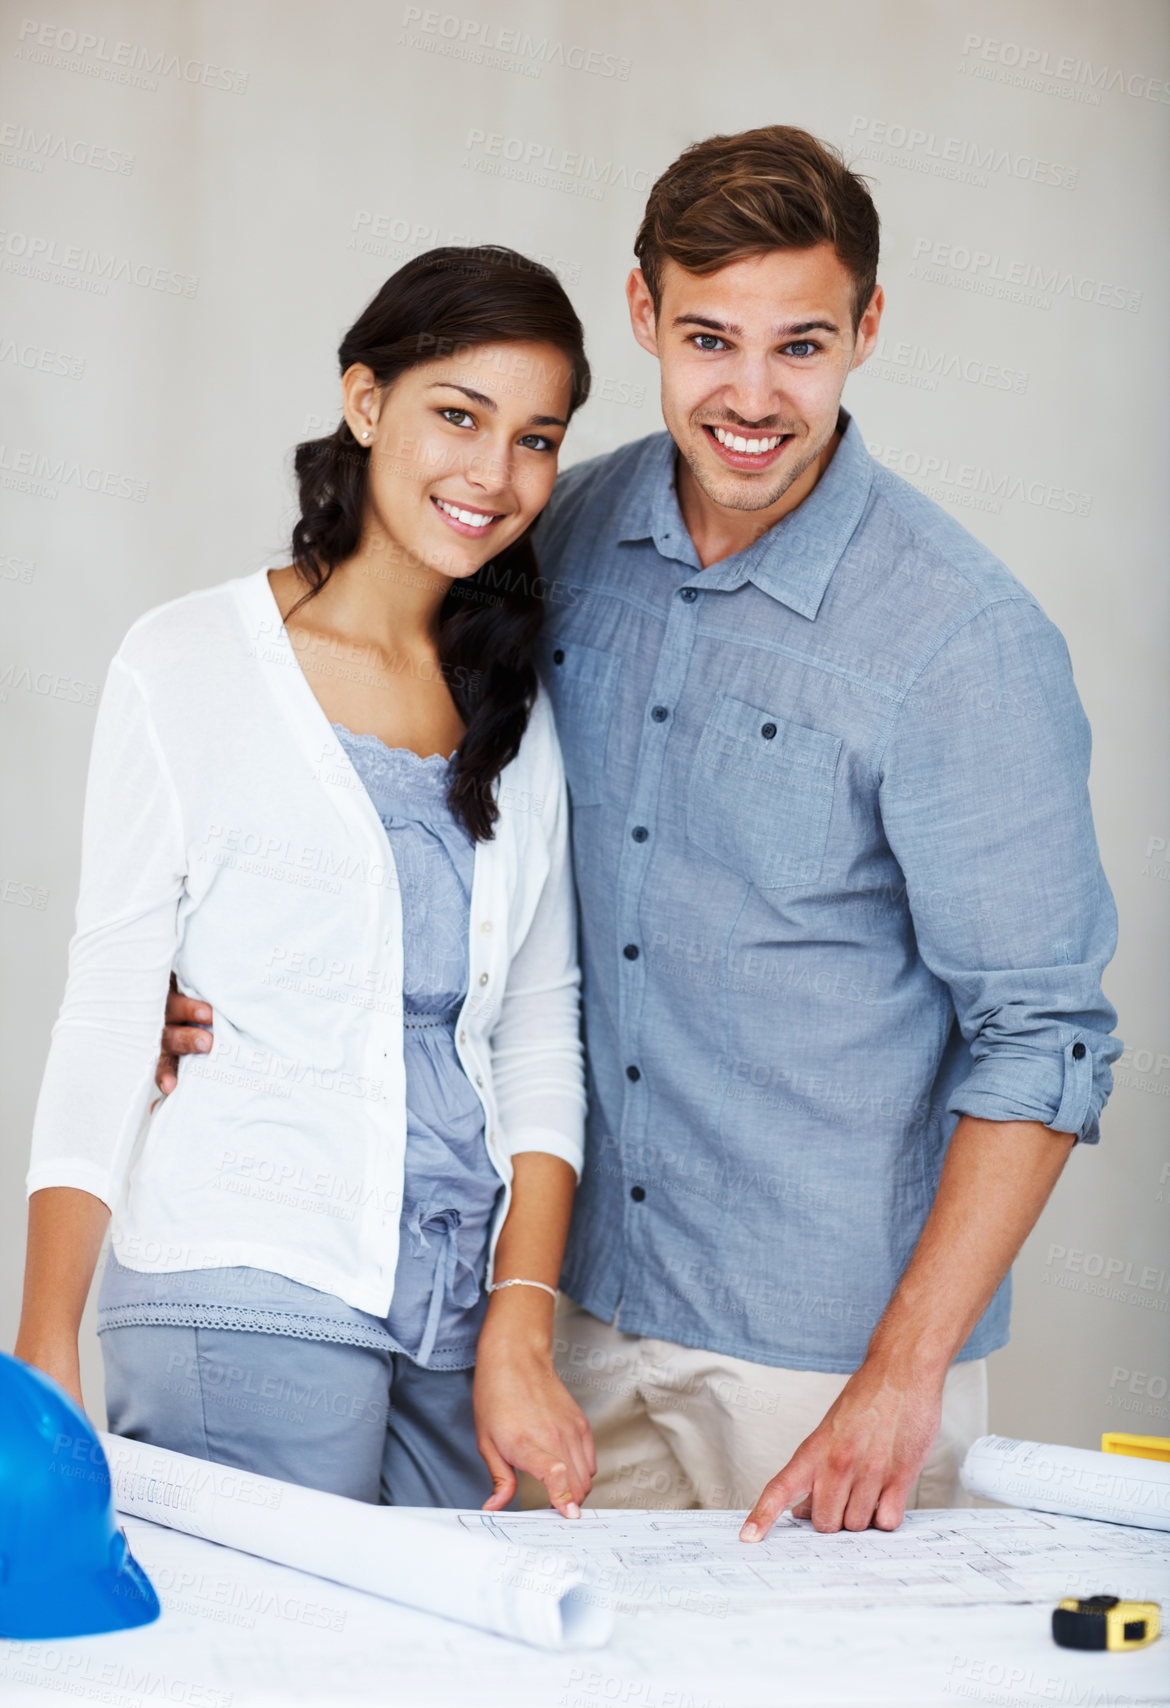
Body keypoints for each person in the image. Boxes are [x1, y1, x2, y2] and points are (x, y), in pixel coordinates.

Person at [159, 127, 1121, 1537]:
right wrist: (202, 983)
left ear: (865, 327)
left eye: (799, 344)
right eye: (707, 339)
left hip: (820, 1358)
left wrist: (899, 1375)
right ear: (640, 317)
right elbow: (391, 783)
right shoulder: (557, 530)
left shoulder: (963, 642)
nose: (748, 395)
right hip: (559, 1315)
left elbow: (1044, 1035)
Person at [15, 246, 597, 1518]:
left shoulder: (520, 708)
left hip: (452, 1315)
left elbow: (542, 1037)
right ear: (365, 400)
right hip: (246, 1281)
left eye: (535, 438)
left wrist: (520, 1322)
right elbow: (113, 1003)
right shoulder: (189, 661)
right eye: (458, 414)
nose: (493, 475)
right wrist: (42, 1342)